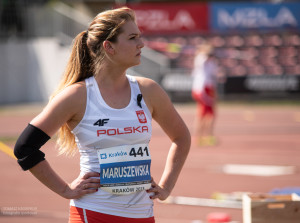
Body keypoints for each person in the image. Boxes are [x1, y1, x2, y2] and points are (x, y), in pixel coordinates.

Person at [13, 7, 190, 223]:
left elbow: (181, 138)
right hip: (93, 213)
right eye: (133, 38)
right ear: (109, 46)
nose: (141, 44)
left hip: (143, 214)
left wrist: (166, 187)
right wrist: (65, 190)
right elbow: (25, 147)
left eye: (140, 37)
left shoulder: (148, 90)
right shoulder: (77, 96)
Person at [191, 43, 218, 146]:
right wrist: (207, 53)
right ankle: (200, 137)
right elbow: (203, 58)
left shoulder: (211, 62)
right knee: (204, 114)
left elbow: (213, 75)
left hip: (208, 88)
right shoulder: (200, 58)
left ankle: (206, 136)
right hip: (201, 88)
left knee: (209, 113)